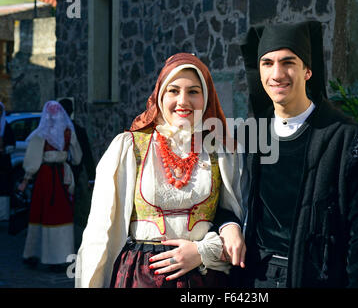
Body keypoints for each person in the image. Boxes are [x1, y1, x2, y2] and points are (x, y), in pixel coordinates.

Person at [75, 53, 246, 288]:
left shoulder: (221, 152)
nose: (183, 101)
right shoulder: (129, 147)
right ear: (160, 95)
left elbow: (232, 214)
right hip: (141, 276)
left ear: (206, 97)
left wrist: (203, 250)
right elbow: (100, 230)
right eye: (173, 91)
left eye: (193, 91)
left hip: (204, 277)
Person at [236, 21, 358, 288]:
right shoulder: (251, 134)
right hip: (256, 279)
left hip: (314, 279)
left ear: (307, 71)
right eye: (267, 63)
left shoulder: (345, 138)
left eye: (288, 62)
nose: (277, 73)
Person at [18, 101, 82, 270]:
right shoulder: (68, 132)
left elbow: (32, 160)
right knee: (61, 214)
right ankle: (60, 257)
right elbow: (77, 157)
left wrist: (26, 179)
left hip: (47, 177)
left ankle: (36, 254)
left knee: (43, 214)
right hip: (60, 176)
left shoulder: (41, 133)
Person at [58, 98, 96, 251]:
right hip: (74, 174)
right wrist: (91, 177)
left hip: (65, 174)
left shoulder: (72, 130)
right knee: (72, 208)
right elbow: (87, 155)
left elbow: (85, 153)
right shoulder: (77, 129)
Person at [0, 102, 16, 221]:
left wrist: (4, 149)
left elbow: (12, 144)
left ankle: (3, 215)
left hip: (3, 163)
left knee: (3, 188)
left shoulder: (6, 126)